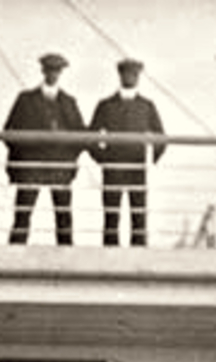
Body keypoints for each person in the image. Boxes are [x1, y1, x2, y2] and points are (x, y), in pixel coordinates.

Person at [2, 53, 85, 246]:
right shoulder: (26, 100)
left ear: (61, 73)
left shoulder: (68, 102)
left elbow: (81, 136)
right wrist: (25, 155)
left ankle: (66, 255)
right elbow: (10, 132)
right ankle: (14, 254)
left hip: (59, 167)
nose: (53, 74)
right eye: (50, 70)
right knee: (23, 215)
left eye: (57, 71)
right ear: (43, 71)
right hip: (31, 167)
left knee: (63, 216)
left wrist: (67, 157)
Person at [89, 58, 165, 247]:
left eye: (134, 74)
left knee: (138, 216)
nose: (130, 77)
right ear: (120, 76)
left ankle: (138, 256)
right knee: (111, 216)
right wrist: (103, 158)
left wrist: (151, 159)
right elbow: (90, 137)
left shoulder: (146, 106)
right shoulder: (106, 105)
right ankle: (109, 256)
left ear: (138, 77)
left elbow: (161, 137)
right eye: (127, 74)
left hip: (137, 168)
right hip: (113, 168)